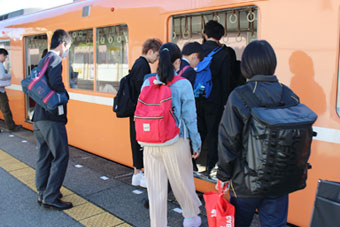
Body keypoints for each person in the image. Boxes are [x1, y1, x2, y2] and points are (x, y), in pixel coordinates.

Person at [217, 40, 300, 227]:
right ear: (273, 63)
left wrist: (223, 175)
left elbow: (228, 140)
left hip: (246, 182)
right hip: (279, 180)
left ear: (246, 65)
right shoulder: (290, 96)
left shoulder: (239, 96)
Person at [141, 43, 202, 227]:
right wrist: (196, 143)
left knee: (156, 190)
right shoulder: (183, 84)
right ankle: (190, 218)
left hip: (150, 143)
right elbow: (190, 118)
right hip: (176, 141)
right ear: (177, 63)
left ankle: (158, 224)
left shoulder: (148, 82)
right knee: (183, 183)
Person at [33, 29, 73, 210]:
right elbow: (56, 83)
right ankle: (51, 196)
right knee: (61, 155)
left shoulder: (43, 59)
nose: (67, 52)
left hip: (39, 117)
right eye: (68, 48)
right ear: (62, 44)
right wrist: (65, 95)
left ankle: (43, 192)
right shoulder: (55, 60)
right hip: (51, 118)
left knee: (44, 155)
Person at [197, 20, 238, 176]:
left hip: (196, 99)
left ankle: (194, 164)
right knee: (213, 134)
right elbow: (226, 80)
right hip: (215, 102)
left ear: (205, 34)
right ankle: (210, 166)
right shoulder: (223, 53)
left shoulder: (197, 51)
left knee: (198, 132)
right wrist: (226, 102)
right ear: (221, 36)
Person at [129, 38, 162, 187]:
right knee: (142, 143)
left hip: (134, 110)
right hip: (140, 111)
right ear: (150, 51)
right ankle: (142, 176)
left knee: (136, 141)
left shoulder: (137, 63)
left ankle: (137, 173)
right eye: (156, 55)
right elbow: (143, 90)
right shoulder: (143, 66)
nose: (157, 59)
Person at [0, 48, 22, 132]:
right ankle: (11, 127)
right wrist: (9, 75)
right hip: (0, 91)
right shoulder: (0, 64)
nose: (5, 60)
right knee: (5, 109)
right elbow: (2, 76)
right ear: (1, 55)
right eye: (5, 57)